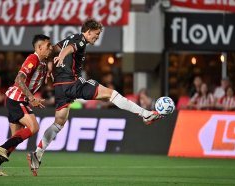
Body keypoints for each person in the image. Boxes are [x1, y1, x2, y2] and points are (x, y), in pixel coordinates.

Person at [27, 19, 162, 176]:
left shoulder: (70, 37)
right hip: (72, 83)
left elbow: (54, 50)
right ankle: (145, 114)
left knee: (59, 122)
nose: (96, 38)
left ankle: (37, 154)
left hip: (60, 88)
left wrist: (50, 64)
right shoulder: (81, 41)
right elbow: (69, 49)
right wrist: (62, 56)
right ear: (88, 31)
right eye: (96, 34)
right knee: (111, 94)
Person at [0, 34, 53, 176]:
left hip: (15, 99)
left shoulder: (42, 63)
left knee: (15, 138)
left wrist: (47, 74)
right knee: (34, 127)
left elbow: (34, 80)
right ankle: (2, 147)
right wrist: (31, 97)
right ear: (39, 47)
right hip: (17, 99)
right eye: (48, 46)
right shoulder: (32, 59)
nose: (50, 48)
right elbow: (19, 79)